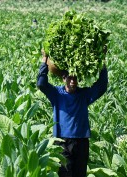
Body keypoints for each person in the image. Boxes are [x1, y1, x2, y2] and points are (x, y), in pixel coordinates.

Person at [37, 49, 108, 177]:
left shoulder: (84, 95)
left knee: (79, 174)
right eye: (70, 78)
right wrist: (44, 60)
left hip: (81, 141)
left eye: (75, 78)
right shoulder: (56, 94)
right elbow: (41, 83)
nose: (72, 81)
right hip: (62, 141)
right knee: (64, 174)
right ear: (64, 78)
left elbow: (102, 86)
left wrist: (102, 59)